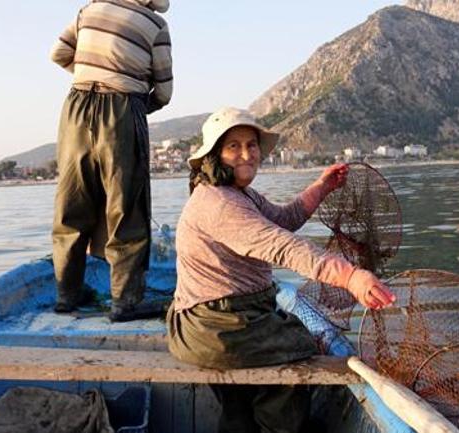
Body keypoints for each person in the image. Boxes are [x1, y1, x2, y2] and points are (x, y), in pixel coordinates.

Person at [166, 107, 395, 433]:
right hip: (215, 325)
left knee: (242, 401)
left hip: (218, 320)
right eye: (233, 147)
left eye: (252, 145)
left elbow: (283, 220)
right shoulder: (219, 203)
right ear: (214, 154)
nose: (247, 154)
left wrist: (321, 187)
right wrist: (351, 277)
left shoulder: (237, 193)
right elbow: (284, 246)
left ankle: (240, 423)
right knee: (300, 343)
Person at [49, 0, 173, 321]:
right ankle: (126, 301)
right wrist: (128, 97)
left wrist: (94, 74)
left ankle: (67, 296)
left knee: (72, 204)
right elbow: (164, 92)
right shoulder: (156, 25)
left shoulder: (89, 10)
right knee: (127, 207)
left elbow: (59, 54)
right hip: (122, 108)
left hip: (75, 107)